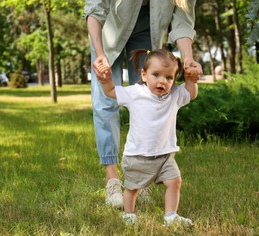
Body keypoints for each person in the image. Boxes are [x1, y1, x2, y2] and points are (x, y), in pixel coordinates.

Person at [84, 0, 202, 208]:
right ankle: (112, 179)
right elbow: (95, 8)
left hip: (149, 27)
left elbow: (183, 20)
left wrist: (188, 59)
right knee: (105, 102)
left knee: (149, 99)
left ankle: (143, 176)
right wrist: (99, 52)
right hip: (108, 28)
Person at [98, 48, 199, 225]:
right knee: (132, 188)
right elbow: (111, 92)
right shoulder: (135, 93)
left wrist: (192, 80)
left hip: (165, 155)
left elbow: (191, 93)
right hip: (137, 155)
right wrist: (106, 80)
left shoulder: (174, 95)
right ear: (144, 75)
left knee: (174, 181)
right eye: (156, 75)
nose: (162, 81)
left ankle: (170, 216)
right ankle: (129, 214)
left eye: (169, 78)